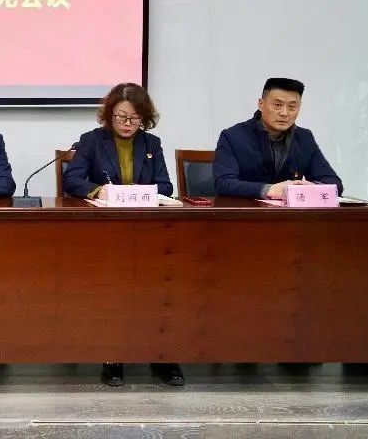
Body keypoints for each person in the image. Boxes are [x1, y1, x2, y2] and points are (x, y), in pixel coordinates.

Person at [62, 82, 182, 388]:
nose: (127, 124)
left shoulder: (152, 143)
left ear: (144, 117)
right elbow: (72, 180)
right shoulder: (91, 141)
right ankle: (113, 355)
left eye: (134, 118)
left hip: (148, 231)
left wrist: (137, 192)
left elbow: (166, 186)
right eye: (120, 117)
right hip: (105, 232)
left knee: (162, 288)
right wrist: (98, 190)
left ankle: (163, 355)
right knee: (113, 289)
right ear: (109, 115)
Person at [213, 78, 343, 200]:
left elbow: (334, 183)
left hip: (289, 214)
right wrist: (269, 190)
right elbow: (224, 183)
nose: (284, 113)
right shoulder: (233, 136)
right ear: (261, 104)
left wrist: (312, 189)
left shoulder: (304, 138)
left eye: (292, 107)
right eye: (277, 105)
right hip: (247, 212)